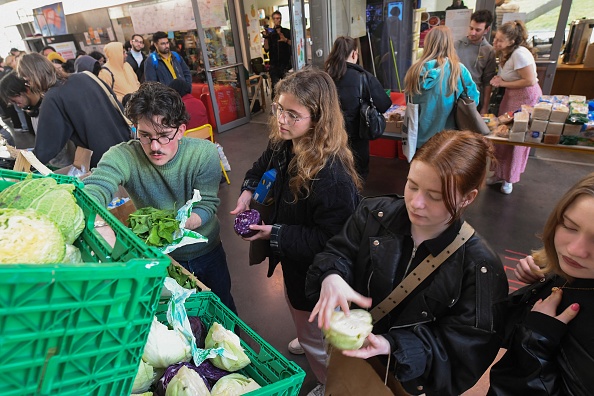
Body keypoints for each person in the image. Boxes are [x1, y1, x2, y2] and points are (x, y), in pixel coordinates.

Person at [306, 130, 509, 395]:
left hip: (409, 380)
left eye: (435, 196)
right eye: (412, 185)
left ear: (468, 198)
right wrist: (331, 275)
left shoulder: (480, 267)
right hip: (353, 360)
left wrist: (395, 346)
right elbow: (338, 252)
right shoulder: (373, 214)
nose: (416, 203)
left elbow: (467, 349)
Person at [230, 68, 362, 396]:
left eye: (292, 114)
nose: (281, 120)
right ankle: (310, 338)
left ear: (317, 119)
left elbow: (333, 241)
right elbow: (259, 167)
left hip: (318, 278)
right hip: (296, 267)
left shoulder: (331, 177)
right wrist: (247, 190)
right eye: (278, 109)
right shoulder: (285, 142)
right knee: (304, 319)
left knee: (320, 339)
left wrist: (274, 234)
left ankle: (330, 384)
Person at [83, 82, 236, 313]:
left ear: (181, 130)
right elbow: (98, 184)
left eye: (164, 136)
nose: (154, 146)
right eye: (145, 135)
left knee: (222, 306)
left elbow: (207, 203)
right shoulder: (124, 156)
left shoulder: (203, 154)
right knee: (179, 314)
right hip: (162, 257)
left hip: (206, 249)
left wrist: (180, 225)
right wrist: (92, 216)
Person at [488, 173, 594, 395]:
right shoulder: (572, 270)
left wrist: (537, 338)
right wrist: (540, 283)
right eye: (569, 226)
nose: (575, 250)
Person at [16, 53, 131, 168]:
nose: (30, 85)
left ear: (32, 77)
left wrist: (28, 164)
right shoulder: (86, 76)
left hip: (104, 158)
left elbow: (48, 144)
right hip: (125, 145)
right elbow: (115, 103)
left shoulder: (53, 97)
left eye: (27, 81)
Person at [325, 36, 391, 180]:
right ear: (354, 54)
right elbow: (384, 104)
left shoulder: (324, 77)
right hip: (357, 138)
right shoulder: (364, 77)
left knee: (333, 173)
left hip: (329, 137)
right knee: (357, 176)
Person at [403, 26, 479, 149]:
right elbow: (473, 100)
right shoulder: (458, 70)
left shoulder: (414, 70)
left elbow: (409, 102)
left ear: (427, 43)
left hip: (419, 139)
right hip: (448, 141)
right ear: (450, 44)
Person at [488, 20, 541, 195]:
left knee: (516, 138)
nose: (496, 43)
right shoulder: (506, 52)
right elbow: (509, 75)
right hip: (510, 96)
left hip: (524, 98)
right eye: (496, 38)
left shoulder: (520, 54)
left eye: (500, 40)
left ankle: (509, 178)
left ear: (511, 41)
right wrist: (500, 80)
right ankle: (498, 173)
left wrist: (502, 82)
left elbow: (530, 80)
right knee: (502, 134)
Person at [0, 71, 75, 167]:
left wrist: (32, 154)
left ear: (26, 90)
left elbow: (53, 147)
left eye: (15, 101)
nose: (17, 105)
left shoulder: (49, 110)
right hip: (54, 164)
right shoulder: (34, 111)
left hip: (66, 165)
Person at [455, 10, 497, 114]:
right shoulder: (456, 45)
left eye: (478, 30)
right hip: (453, 96)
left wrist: (485, 107)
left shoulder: (489, 51)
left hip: (474, 99)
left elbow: (488, 82)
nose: (472, 32)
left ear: (486, 30)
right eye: (471, 28)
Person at [263, 11, 292, 100]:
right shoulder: (270, 33)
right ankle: (275, 109)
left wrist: (285, 40)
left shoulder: (287, 32)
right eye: (275, 18)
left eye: (278, 18)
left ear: (281, 19)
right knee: (275, 88)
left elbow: (294, 45)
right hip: (274, 65)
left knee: (287, 88)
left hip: (286, 64)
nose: (277, 20)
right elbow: (266, 49)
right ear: (273, 19)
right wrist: (266, 37)